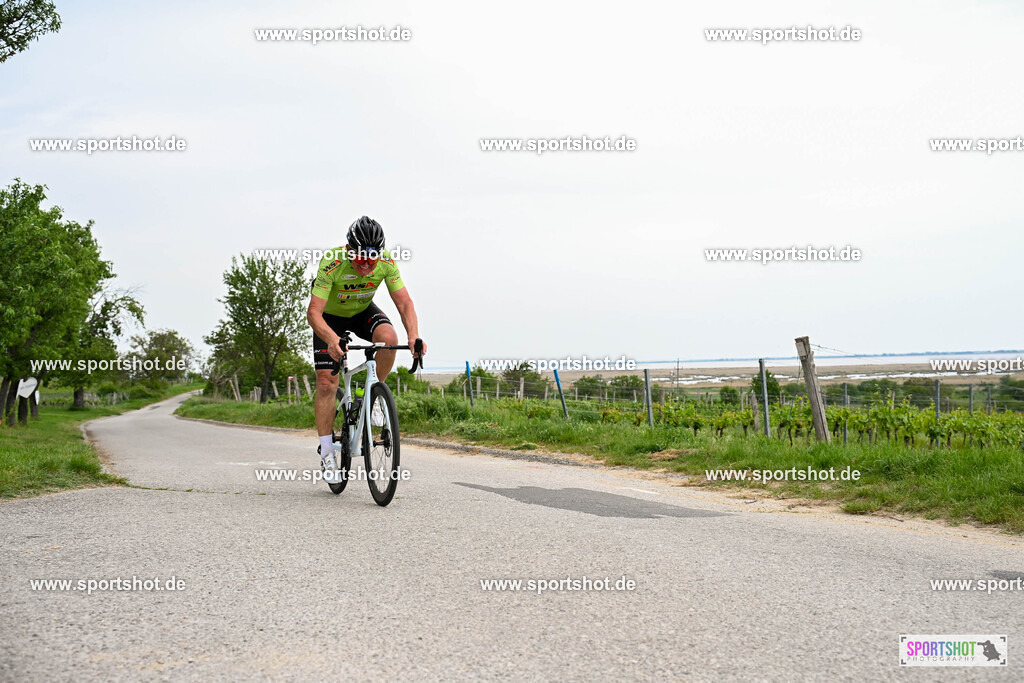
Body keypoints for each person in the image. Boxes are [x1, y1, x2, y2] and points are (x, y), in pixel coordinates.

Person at [306, 216, 426, 483]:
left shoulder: (385, 263)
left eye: (372, 258)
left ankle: (373, 395)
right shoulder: (332, 262)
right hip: (330, 318)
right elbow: (313, 313)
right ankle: (327, 452)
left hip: (361, 312)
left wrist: (413, 336)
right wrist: (330, 338)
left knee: (388, 336)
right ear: (349, 250)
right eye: (360, 258)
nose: (366, 264)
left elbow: (405, 303)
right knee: (327, 382)